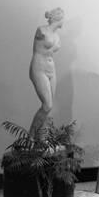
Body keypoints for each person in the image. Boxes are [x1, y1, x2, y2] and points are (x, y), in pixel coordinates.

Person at [28, 7, 64, 138]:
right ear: (58, 18)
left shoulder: (57, 36)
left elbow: (52, 51)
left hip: (51, 69)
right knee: (47, 105)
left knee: (50, 107)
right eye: (63, 18)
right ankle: (30, 137)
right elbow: (45, 49)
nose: (64, 21)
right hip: (39, 68)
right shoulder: (41, 30)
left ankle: (42, 139)